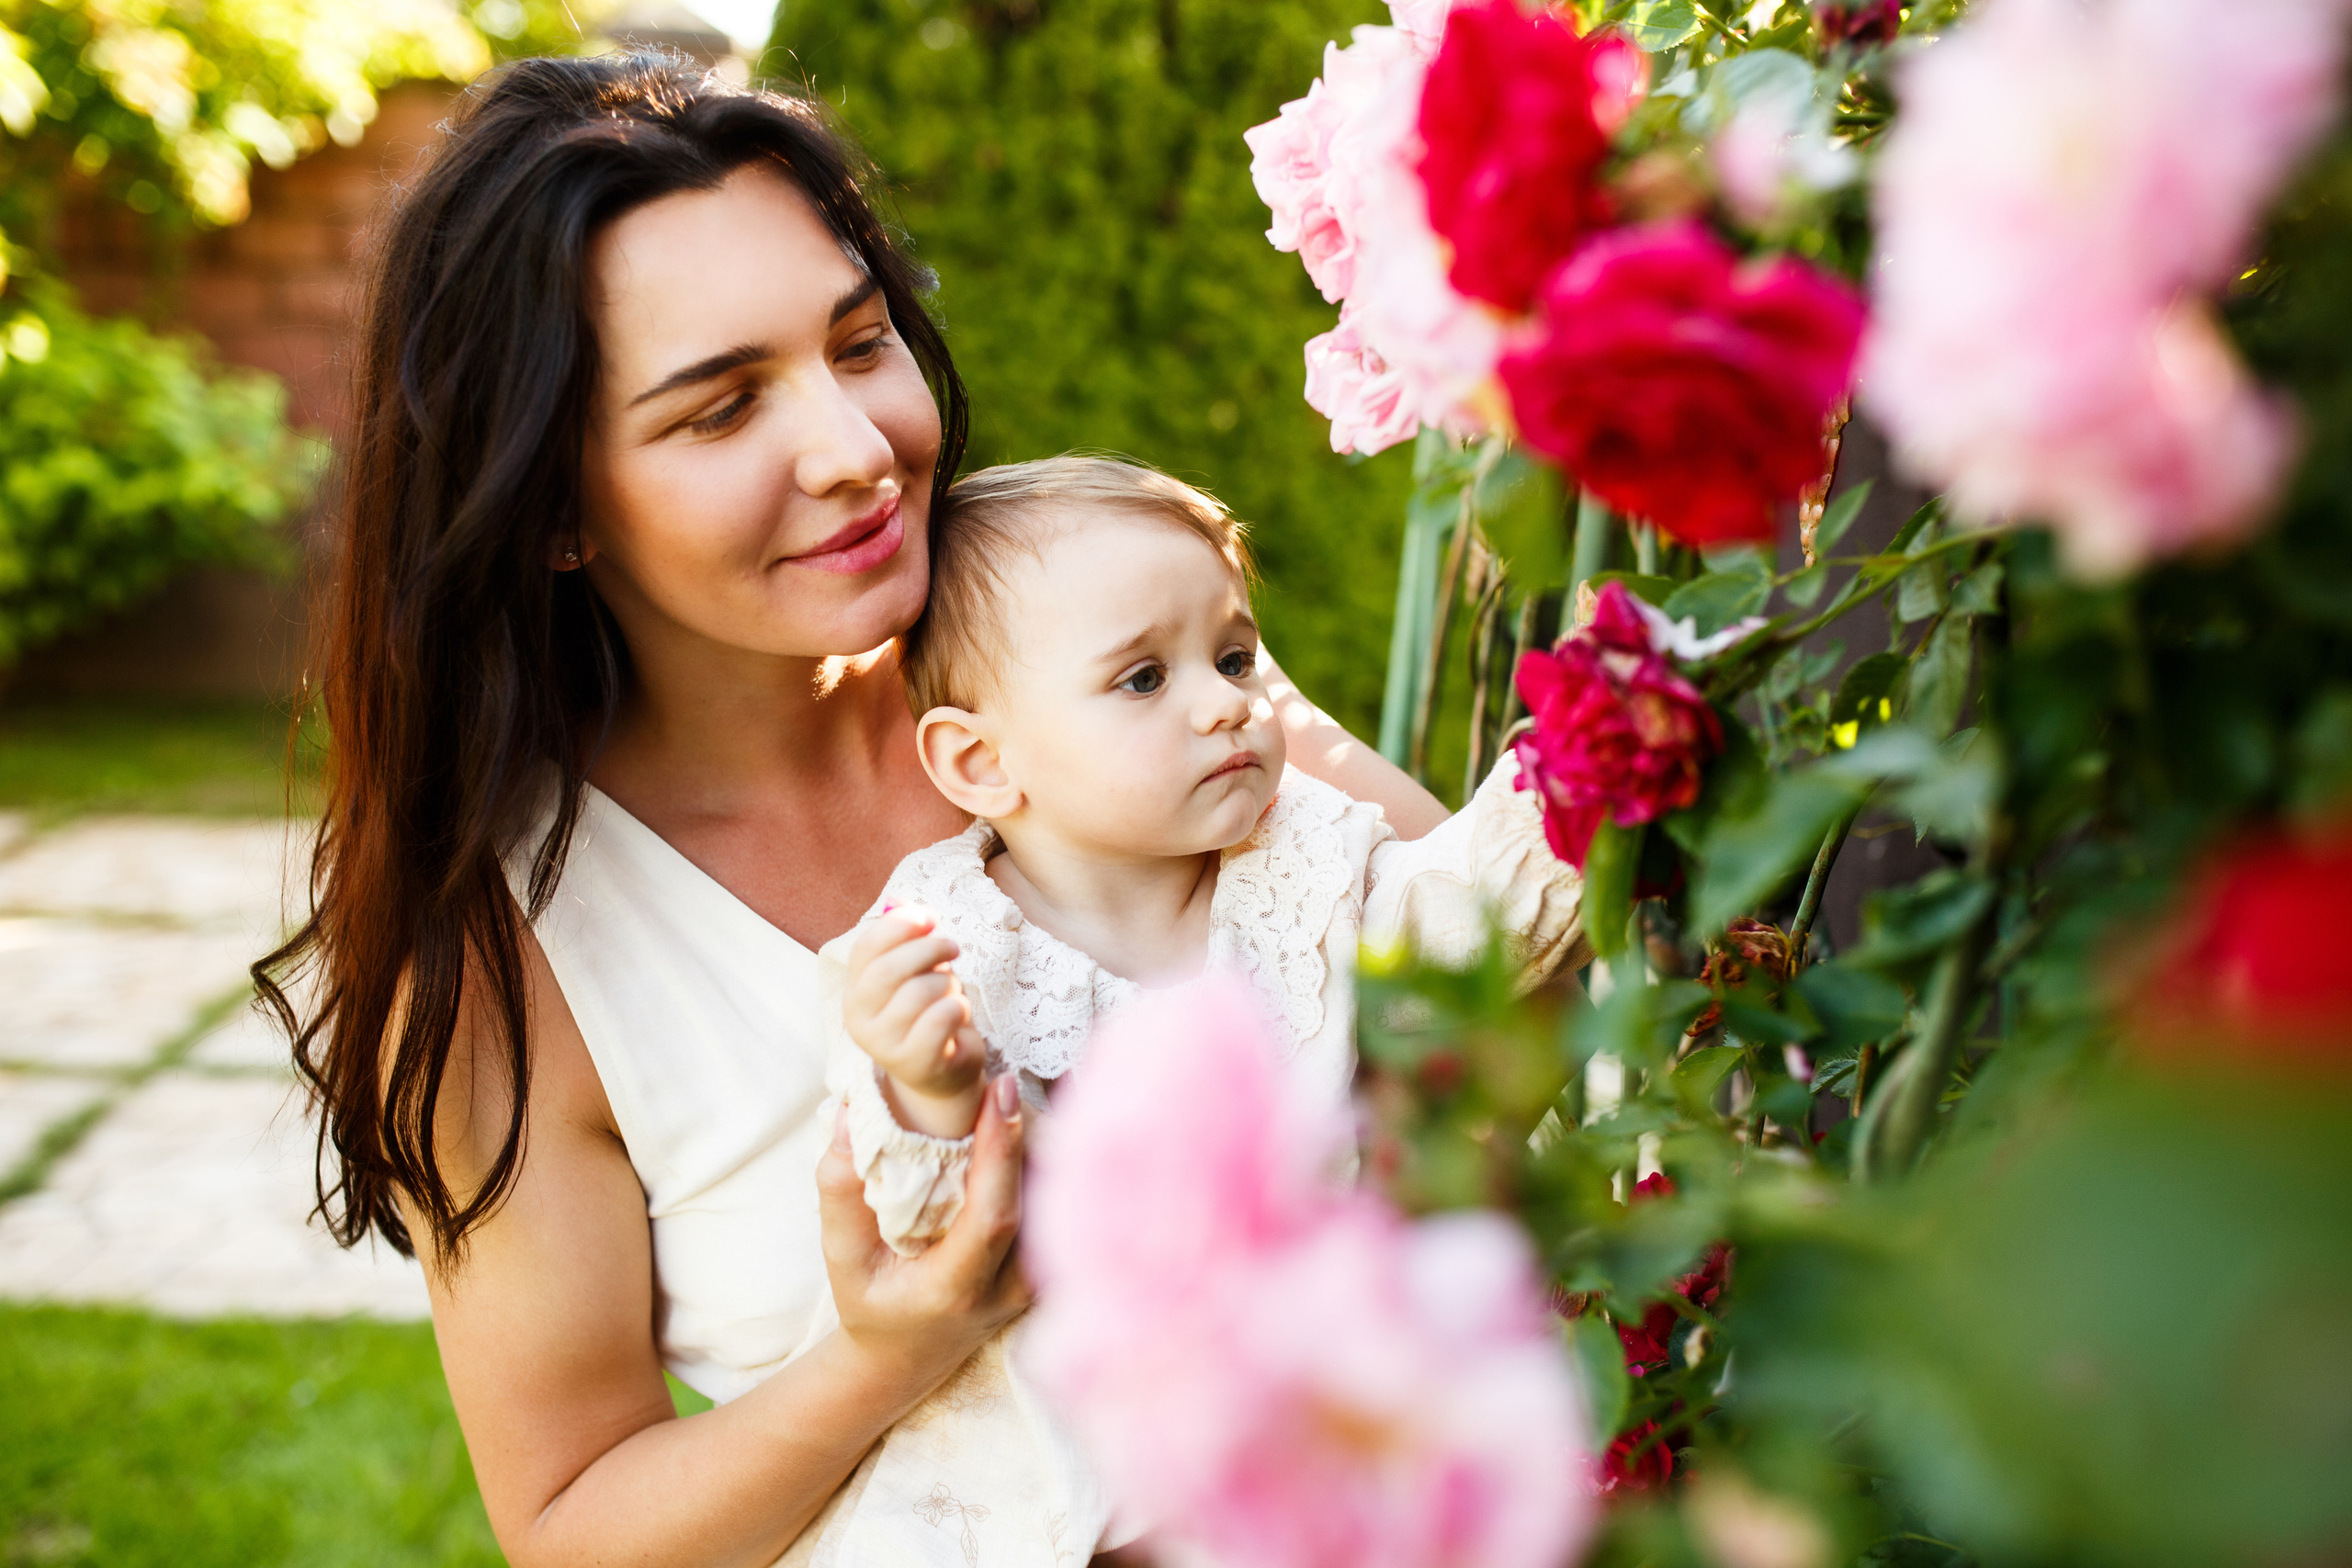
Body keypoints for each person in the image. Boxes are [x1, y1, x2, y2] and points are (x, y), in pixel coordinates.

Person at [256, 51, 1448, 1568]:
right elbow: (571, 1522)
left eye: (860, 340)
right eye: (721, 408)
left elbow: (1506, 945)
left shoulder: (1103, 650)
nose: (855, 449)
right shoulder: (515, 956)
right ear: (552, 503)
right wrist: (893, 1348)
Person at [807, 455, 1588, 1564]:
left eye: (1232, 657)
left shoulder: (1303, 858)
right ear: (979, 761)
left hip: (1327, 1422)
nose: (1227, 703)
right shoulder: (945, 946)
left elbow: (1461, 924)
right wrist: (928, 1088)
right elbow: (930, 1234)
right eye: (1143, 680)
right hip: (1080, 1477)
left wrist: (1572, 768)